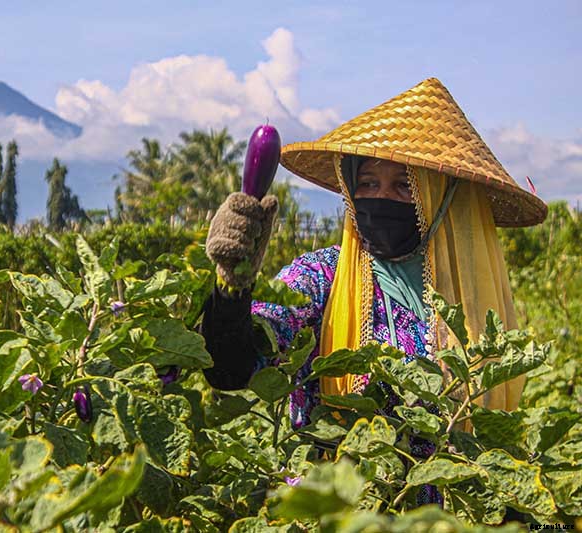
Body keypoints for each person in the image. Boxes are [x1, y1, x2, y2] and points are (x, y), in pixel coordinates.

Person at [199, 78, 548, 506]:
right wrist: (231, 286)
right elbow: (230, 367)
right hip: (336, 514)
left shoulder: (472, 300)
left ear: (440, 198)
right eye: (366, 183)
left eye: (404, 186)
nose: (380, 198)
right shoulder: (322, 277)